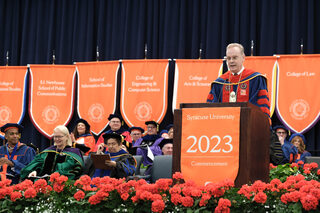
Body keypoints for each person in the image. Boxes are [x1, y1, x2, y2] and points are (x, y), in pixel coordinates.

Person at [206, 43, 270, 118]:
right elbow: (211, 109)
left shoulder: (255, 79)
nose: (231, 61)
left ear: (243, 58)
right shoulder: (219, 83)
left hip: (249, 125)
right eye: (228, 58)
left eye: (235, 57)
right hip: (225, 126)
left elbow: (262, 107)